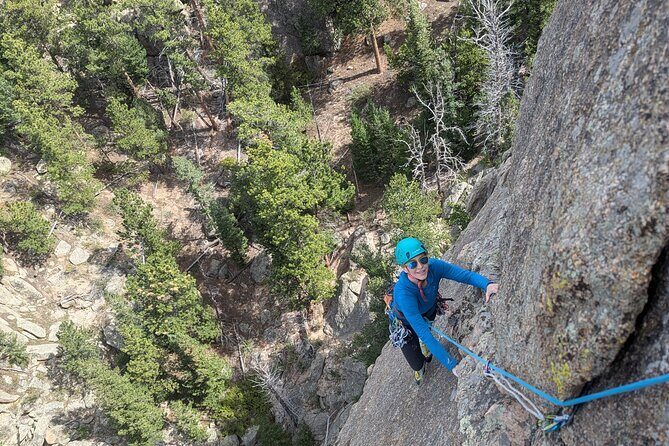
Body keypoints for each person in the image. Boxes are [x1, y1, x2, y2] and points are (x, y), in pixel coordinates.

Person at [392, 237, 498, 384]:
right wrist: (452, 365)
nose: (420, 267)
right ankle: (419, 365)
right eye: (412, 263)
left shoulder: (434, 267)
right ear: (405, 268)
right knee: (417, 363)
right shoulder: (404, 293)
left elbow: (464, 275)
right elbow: (424, 333)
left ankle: (424, 345)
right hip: (405, 322)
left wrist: (487, 284)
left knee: (425, 328)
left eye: (423, 260)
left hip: (427, 309)